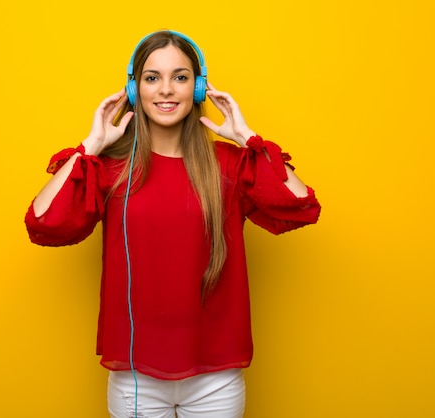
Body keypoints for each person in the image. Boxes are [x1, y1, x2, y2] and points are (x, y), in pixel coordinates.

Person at [25, 30, 321, 418]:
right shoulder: (111, 169)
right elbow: (44, 222)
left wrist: (247, 138)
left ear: (198, 89)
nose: (166, 90)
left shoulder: (230, 166)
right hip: (136, 379)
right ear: (134, 90)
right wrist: (91, 146)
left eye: (180, 77)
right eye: (152, 78)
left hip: (216, 379)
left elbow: (299, 206)